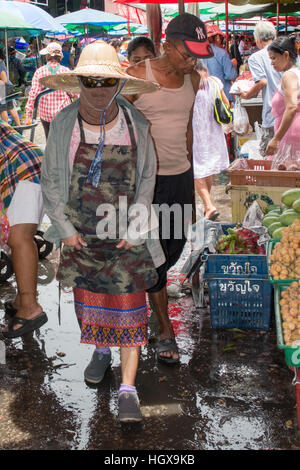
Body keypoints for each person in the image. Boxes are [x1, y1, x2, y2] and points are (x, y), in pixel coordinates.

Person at [40, 40, 164, 423]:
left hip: (127, 233)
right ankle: (100, 350)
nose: (97, 89)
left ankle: (128, 389)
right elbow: (52, 182)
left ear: (118, 85)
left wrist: (137, 227)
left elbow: (147, 179)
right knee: (89, 305)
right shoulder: (63, 123)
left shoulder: (135, 123)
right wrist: (64, 230)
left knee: (130, 309)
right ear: (79, 84)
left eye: (104, 82)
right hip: (80, 233)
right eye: (90, 81)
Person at [126, 13, 213, 364]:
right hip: (147, 184)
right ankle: (164, 330)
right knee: (154, 257)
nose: (192, 60)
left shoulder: (192, 78)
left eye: (196, 54)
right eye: (186, 52)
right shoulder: (136, 77)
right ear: (166, 45)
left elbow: (188, 130)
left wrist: (191, 179)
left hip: (179, 178)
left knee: (174, 249)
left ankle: (152, 305)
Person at [0, 121, 47, 339]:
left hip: (21, 165)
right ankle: (23, 299)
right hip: (26, 161)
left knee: (19, 238)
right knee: (19, 238)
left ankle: (30, 307)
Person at [193, 60, 230, 220]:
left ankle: (208, 205)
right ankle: (208, 204)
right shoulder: (215, 82)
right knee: (205, 170)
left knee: (197, 170)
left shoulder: (191, 86)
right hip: (214, 133)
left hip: (196, 134)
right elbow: (226, 103)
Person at [238, 21, 282, 157]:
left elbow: (262, 81)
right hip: (293, 114)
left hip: (273, 115)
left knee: (270, 157)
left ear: (257, 39)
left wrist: (247, 95)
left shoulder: (256, 57)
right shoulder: (288, 54)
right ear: (274, 36)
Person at [25, 42, 75, 139]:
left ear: (47, 56)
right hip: (63, 113)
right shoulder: (66, 71)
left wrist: (29, 114)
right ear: (60, 57)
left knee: (49, 139)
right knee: (64, 139)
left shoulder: (39, 72)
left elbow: (33, 95)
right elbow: (73, 93)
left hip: (46, 114)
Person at [265, 36, 300, 157]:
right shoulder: (296, 73)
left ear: (286, 55)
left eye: (274, 58)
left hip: (290, 135)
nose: (271, 62)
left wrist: (276, 139)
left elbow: (291, 107)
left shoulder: (289, 76)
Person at [203, 25, 237, 101]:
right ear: (217, 37)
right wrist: (233, 65)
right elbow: (230, 75)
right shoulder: (222, 53)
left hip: (206, 96)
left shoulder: (199, 53)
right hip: (223, 96)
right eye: (221, 38)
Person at [0, 46, 21, 126]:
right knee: (10, 108)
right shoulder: (1, 62)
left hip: (4, 88)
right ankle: (19, 126)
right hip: (7, 87)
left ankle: (6, 130)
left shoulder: (0, 64)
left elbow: (4, 80)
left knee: (3, 109)